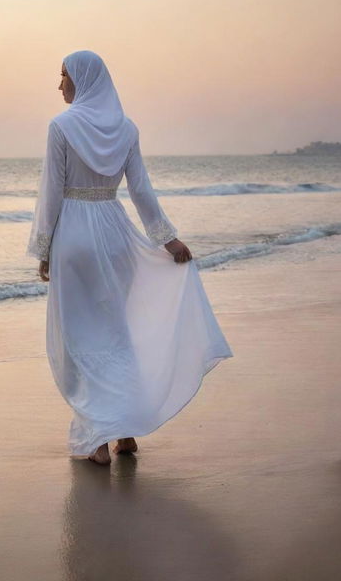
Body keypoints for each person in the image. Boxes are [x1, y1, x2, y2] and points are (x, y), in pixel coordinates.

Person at [26, 50, 233, 465]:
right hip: (115, 233)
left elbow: (51, 192)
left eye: (63, 75)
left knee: (80, 340)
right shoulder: (126, 128)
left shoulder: (61, 126)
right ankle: (123, 432)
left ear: (82, 79)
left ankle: (98, 440)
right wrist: (167, 239)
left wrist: (43, 249)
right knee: (116, 333)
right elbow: (140, 189)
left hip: (75, 236)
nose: (59, 84)